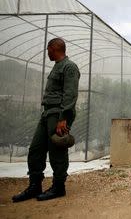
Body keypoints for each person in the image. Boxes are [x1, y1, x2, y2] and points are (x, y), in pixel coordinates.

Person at [12, 38, 80, 202]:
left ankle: (58, 187)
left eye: (48, 50)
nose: (47, 53)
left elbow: (70, 94)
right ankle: (35, 186)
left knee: (57, 150)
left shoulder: (69, 67)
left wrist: (63, 118)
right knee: (36, 149)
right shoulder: (57, 66)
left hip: (58, 114)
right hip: (47, 114)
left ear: (54, 48)